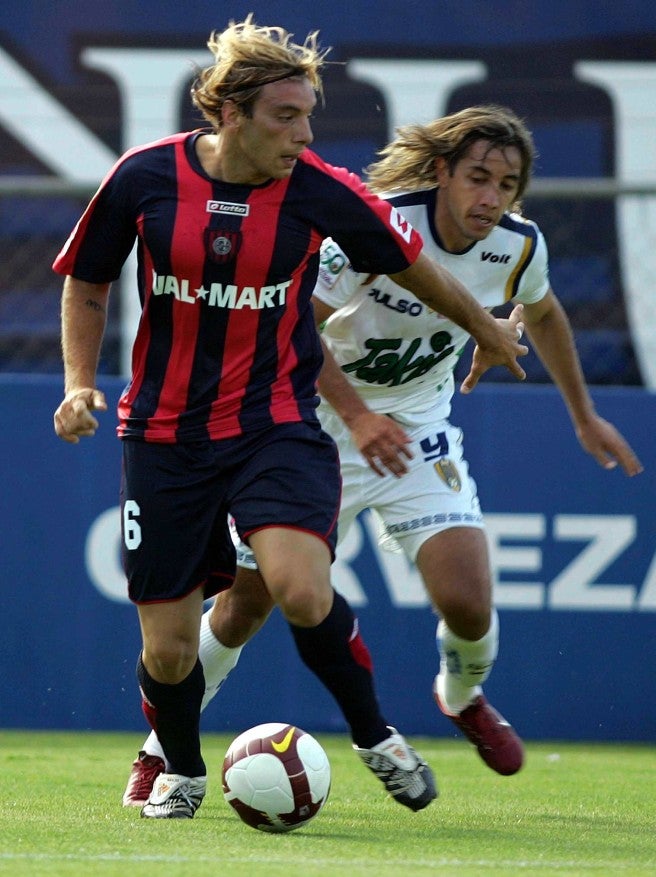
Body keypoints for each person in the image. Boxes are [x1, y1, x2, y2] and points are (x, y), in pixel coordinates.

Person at [53, 18, 528, 821]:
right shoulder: (145, 178)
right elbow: (88, 281)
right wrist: (77, 383)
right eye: (286, 116)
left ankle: (377, 737)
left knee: (301, 589)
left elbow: (412, 263)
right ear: (230, 112)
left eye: (310, 115)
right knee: (168, 651)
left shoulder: (320, 189)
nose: (304, 133)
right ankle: (182, 767)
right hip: (164, 435)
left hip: (273, 424)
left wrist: (487, 328)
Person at [121, 103, 644, 805]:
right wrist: (359, 415)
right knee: (246, 605)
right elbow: (295, 326)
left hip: (417, 429)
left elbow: (544, 312)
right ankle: (161, 750)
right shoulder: (378, 224)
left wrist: (583, 415)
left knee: (468, 600)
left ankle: (461, 696)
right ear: (441, 173)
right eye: (478, 178)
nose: (490, 197)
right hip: (310, 430)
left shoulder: (518, 246)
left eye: (506, 184)